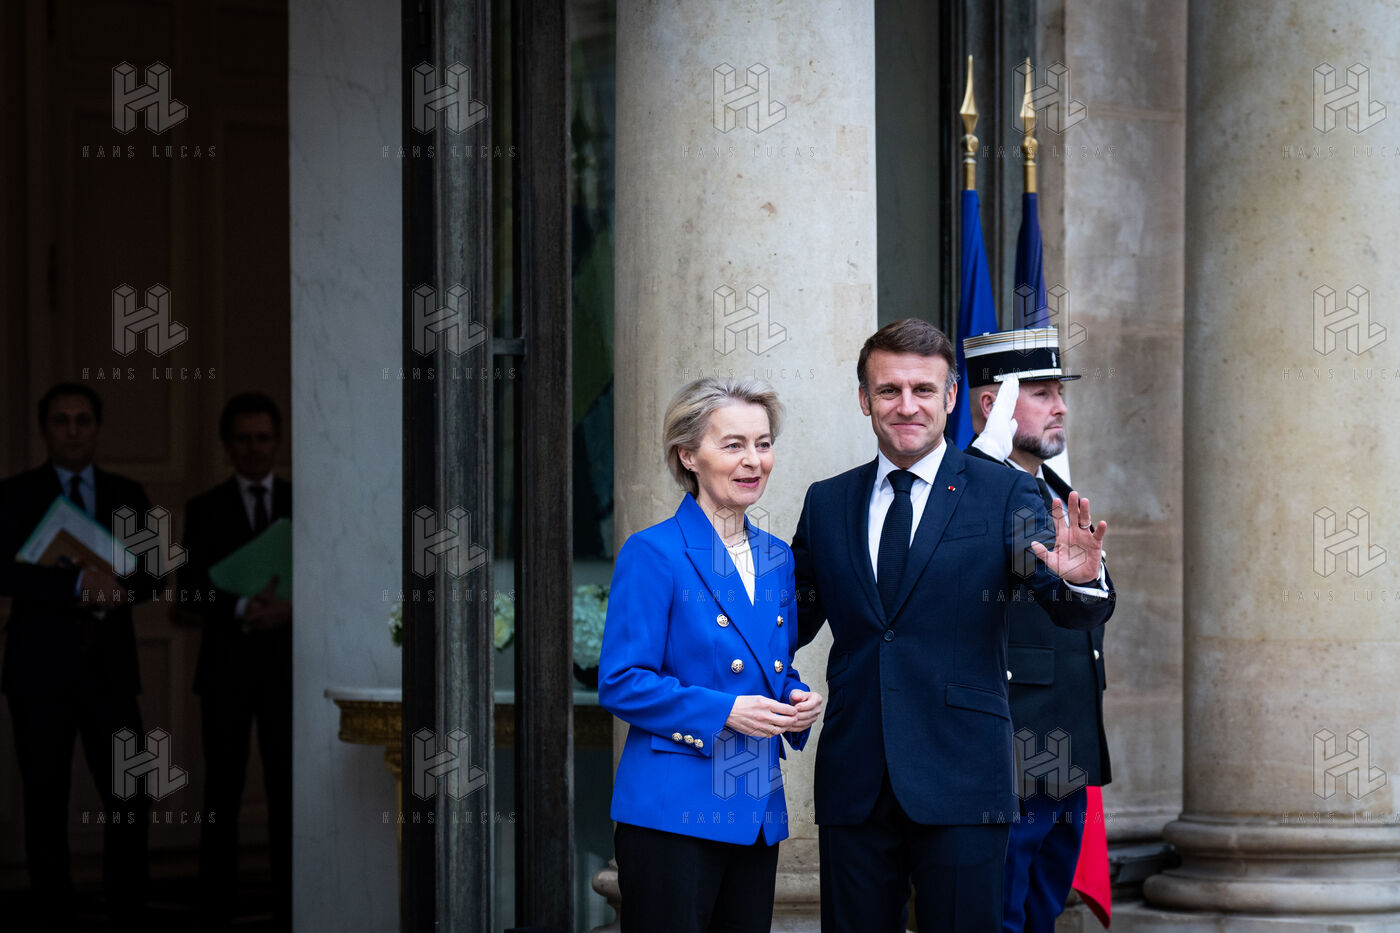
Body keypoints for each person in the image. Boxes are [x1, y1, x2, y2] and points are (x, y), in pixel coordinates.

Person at [790, 319, 1115, 932]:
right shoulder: (827, 501)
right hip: (855, 781)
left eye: (923, 389)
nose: (906, 405)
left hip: (965, 779)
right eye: (888, 390)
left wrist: (1079, 580)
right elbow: (791, 621)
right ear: (864, 399)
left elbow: (1064, 607)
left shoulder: (1004, 493)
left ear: (951, 396)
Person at [598, 377, 823, 933]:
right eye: (733, 445)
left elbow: (770, 664)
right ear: (688, 456)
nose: (753, 461)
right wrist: (724, 711)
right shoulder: (654, 552)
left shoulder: (777, 558)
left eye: (763, 444)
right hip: (673, 812)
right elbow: (621, 681)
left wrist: (795, 698)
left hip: (754, 805)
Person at [963, 329, 1113, 932]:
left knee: (1041, 911)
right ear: (992, 405)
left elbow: (1090, 611)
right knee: (998, 911)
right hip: (1011, 741)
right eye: (1043, 393)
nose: (1061, 407)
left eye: (1061, 392)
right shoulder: (968, 488)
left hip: (1066, 741)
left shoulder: (1052, 488)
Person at [0, 383, 155, 930]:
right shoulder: (15, 494)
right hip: (38, 675)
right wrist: (75, 585)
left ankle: (127, 910)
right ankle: (54, 915)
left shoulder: (127, 493)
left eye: (82, 420)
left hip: (110, 674)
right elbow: (4, 572)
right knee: (45, 801)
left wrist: (118, 587)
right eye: (61, 420)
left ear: (98, 428)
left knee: (130, 796)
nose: (72, 430)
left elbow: (154, 574)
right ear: (45, 429)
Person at [178, 392, 292, 929]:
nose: (254, 448)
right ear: (227, 444)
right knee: (221, 791)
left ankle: (293, 902)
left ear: (278, 441)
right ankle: (216, 906)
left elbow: (333, 577)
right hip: (225, 671)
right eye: (243, 439)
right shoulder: (204, 508)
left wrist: (292, 609)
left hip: (288, 670)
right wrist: (243, 607)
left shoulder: (304, 501)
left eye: (263, 438)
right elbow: (188, 591)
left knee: (287, 789)